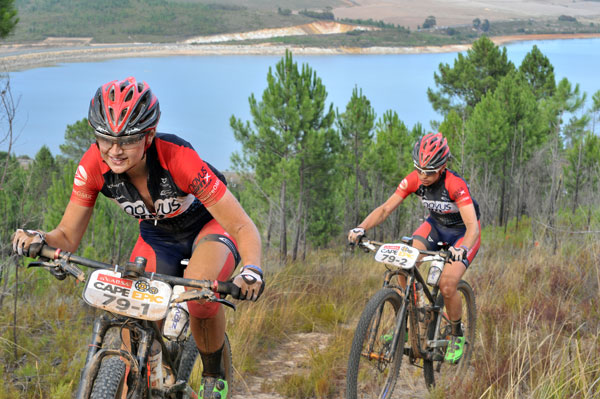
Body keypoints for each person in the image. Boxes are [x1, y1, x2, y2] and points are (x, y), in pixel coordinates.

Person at [12, 77, 263, 399]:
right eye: (105, 139)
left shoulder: (179, 159)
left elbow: (242, 226)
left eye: (127, 140)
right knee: (135, 313)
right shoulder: (92, 167)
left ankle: (214, 377)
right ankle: (147, 377)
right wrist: (38, 238)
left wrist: (252, 270)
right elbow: (66, 236)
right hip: (158, 236)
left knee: (200, 294)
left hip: (209, 227)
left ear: (148, 136)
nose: (115, 151)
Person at [348, 132, 480, 364]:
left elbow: (472, 228)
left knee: (447, 284)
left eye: (429, 172)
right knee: (403, 262)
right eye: (419, 169)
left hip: (462, 234)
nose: (423, 176)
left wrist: (462, 250)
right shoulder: (414, 180)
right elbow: (385, 209)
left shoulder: (455, 185)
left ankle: (457, 334)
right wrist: (361, 228)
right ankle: (410, 319)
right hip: (436, 228)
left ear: (443, 167)